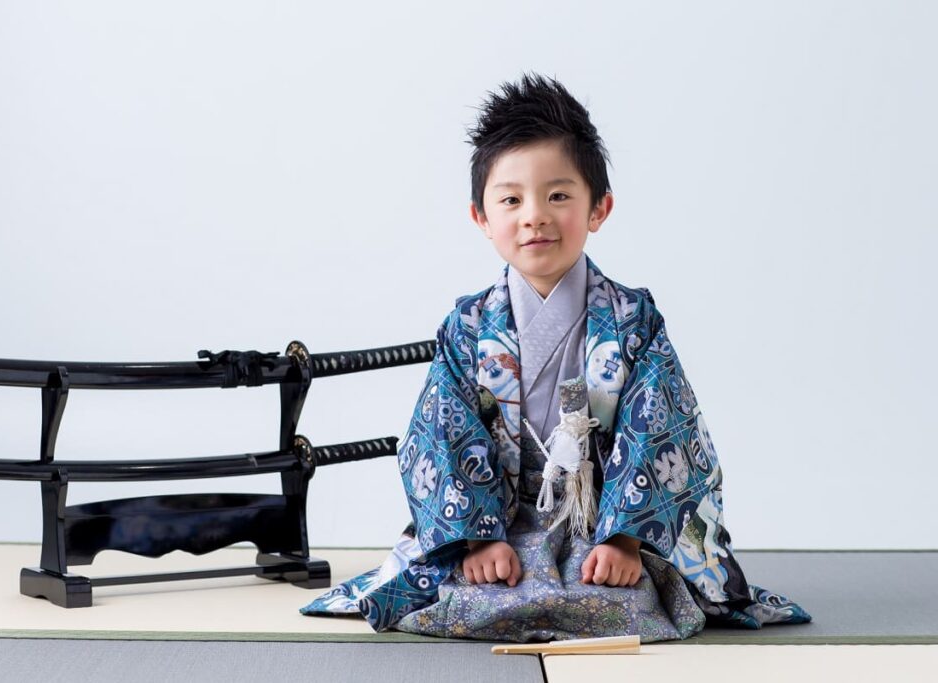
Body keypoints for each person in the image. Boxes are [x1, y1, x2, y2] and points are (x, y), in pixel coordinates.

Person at [300, 72, 811, 642]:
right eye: (512, 199)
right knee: (474, 585)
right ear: (482, 218)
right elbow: (440, 431)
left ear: (599, 208)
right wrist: (477, 537)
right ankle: (492, 558)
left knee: (621, 593)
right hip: (498, 525)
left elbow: (659, 428)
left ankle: (612, 561)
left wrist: (625, 540)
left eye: (559, 195)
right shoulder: (468, 327)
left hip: (600, 524)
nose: (534, 215)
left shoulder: (633, 322)